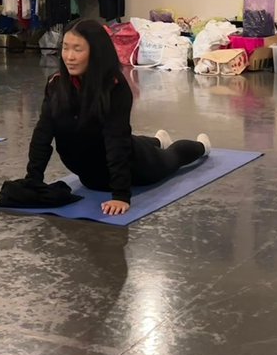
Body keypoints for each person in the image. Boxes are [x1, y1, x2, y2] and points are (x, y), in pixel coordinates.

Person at [21, 18, 211, 215]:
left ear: (95, 52)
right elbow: (42, 134)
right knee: (123, 140)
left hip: (132, 167)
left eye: (78, 49)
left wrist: (120, 195)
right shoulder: (56, 84)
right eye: (65, 48)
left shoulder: (115, 88)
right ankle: (156, 140)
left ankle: (202, 147)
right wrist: (32, 181)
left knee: (171, 158)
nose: (69, 57)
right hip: (89, 174)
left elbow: (116, 140)